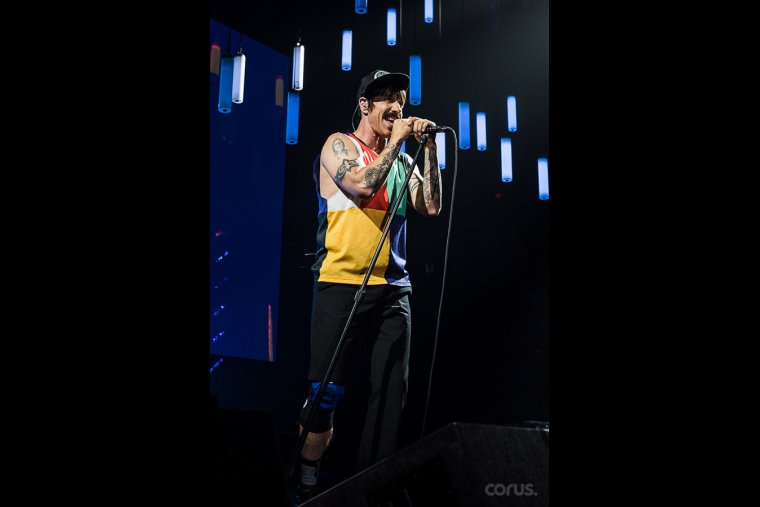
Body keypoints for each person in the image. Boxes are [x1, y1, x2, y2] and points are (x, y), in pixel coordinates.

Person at [294, 69, 442, 500]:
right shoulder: (338, 146)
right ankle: (306, 477)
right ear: (364, 105)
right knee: (326, 394)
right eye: (387, 98)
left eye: (402, 99)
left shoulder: (403, 162)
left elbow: (431, 206)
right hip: (341, 282)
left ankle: (373, 488)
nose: (397, 107)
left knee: (392, 396)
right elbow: (361, 184)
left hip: (394, 288)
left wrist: (428, 149)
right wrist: (397, 143)